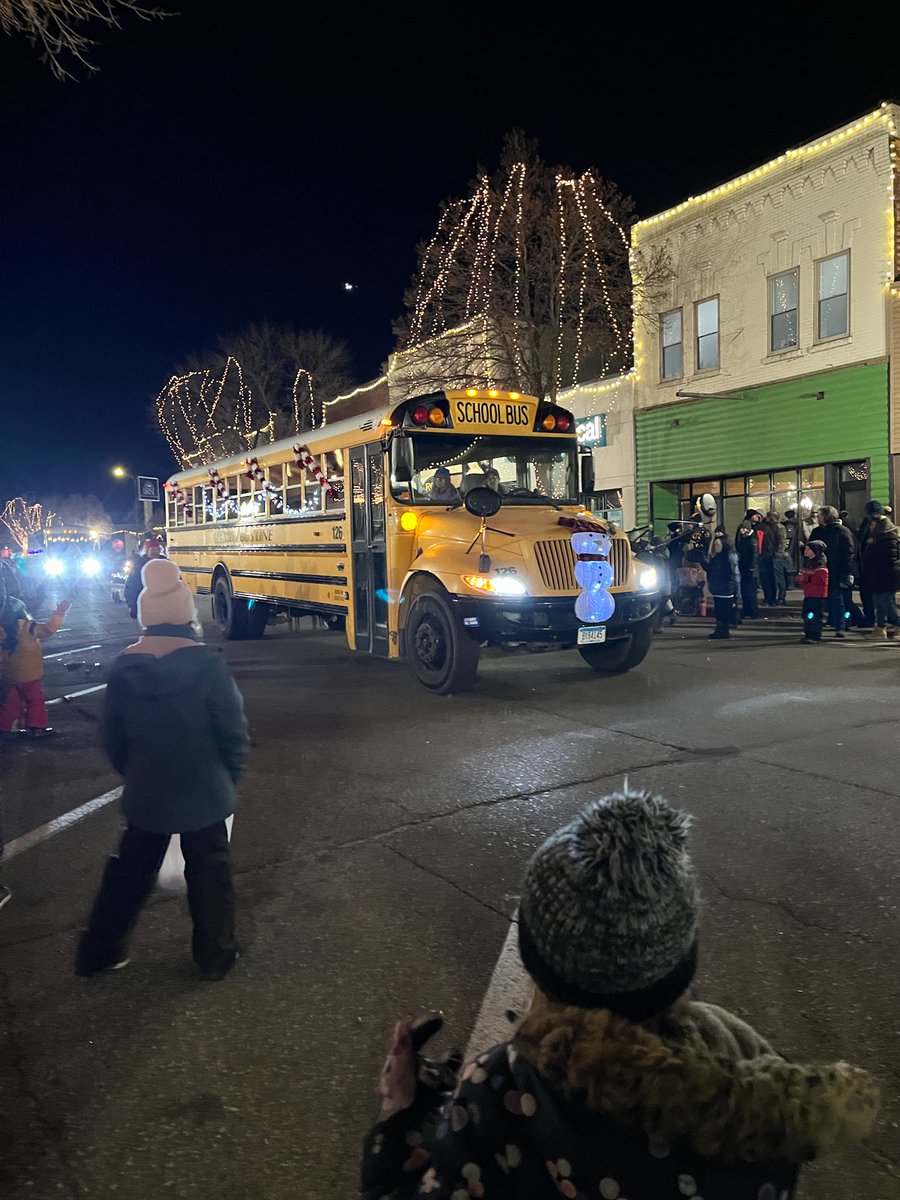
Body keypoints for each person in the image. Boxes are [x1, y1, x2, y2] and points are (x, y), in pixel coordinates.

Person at [362, 789, 879, 1200]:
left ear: (539, 965)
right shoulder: (765, 1108)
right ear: (681, 960)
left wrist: (400, 1120)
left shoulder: (496, 1096)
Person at [75, 559, 249, 981]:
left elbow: (113, 738)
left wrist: (136, 773)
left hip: (148, 792)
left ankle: (97, 953)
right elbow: (233, 732)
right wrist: (229, 777)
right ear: (185, 613)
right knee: (210, 875)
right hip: (204, 789)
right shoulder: (206, 665)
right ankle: (214, 957)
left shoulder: (124, 667)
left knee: (129, 874)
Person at [0, 596, 70, 738]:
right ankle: (36, 726)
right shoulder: (28, 627)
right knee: (35, 698)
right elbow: (49, 629)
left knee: (11, 699)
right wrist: (59, 613)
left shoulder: (2, 629)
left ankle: (6, 727)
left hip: (8, 673)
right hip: (29, 673)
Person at [813, 506, 856, 638]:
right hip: (821, 570)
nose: (817, 517)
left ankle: (840, 625)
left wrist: (847, 571)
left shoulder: (841, 531)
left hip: (836, 569)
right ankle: (822, 623)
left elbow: (849, 552)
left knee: (838, 598)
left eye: (819, 515)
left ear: (826, 516)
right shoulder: (818, 531)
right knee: (822, 598)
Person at [861, 514, 900, 640]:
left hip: (887, 575)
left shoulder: (888, 539)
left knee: (886, 602)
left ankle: (897, 623)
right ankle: (880, 628)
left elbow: (886, 558)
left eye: (873, 524)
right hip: (878, 574)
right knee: (878, 602)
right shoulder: (878, 538)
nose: (871, 527)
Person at [855, 501, 887, 627]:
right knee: (876, 596)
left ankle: (875, 620)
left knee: (874, 595)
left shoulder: (871, 523)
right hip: (872, 565)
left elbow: (860, 541)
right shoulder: (880, 523)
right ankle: (878, 620)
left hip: (872, 565)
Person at [796, 540, 829, 644]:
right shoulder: (808, 562)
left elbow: (821, 579)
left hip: (818, 595)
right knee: (807, 614)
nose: (805, 551)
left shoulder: (820, 563)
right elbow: (801, 574)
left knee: (816, 616)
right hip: (809, 593)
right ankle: (808, 634)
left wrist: (805, 578)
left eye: (808, 549)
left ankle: (815, 636)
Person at [705, 526, 735, 639]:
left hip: (724, 589)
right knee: (719, 611)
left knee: (723, 611)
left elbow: (729, 575)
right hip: (720, 588)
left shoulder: (726, 558)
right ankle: (721, 629)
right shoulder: (719, 557)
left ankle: (723, 630)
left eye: (718, 545)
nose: (716, 547)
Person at [125, 536, 165, 618]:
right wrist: (133, 606)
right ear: (147, 551)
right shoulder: (140, 566)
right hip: (147, 605)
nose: (155, 551)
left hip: (163, 605)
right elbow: (132, 586)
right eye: (152, 549)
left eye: (156, 549)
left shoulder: (166, 563)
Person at [759, 511, 789, 606]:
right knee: (768, 579)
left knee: (778, 578)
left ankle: (780, 598)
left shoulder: (779, 527)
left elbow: (782, 542)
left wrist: (777, 553)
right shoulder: (766, 527)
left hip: (776, 556)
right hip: (766, 555)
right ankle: (769, 598)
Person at [735, 523, 759, 619]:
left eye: (744, 529)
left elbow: (754, 555)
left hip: (750, 569)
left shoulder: (752, 540)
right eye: (741, 529)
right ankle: (747, 610)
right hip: (744, 568)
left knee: (750, 592)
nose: (742, 531)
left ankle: (752, 611)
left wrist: (752, 568)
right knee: (745, 591)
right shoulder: (743, 539)